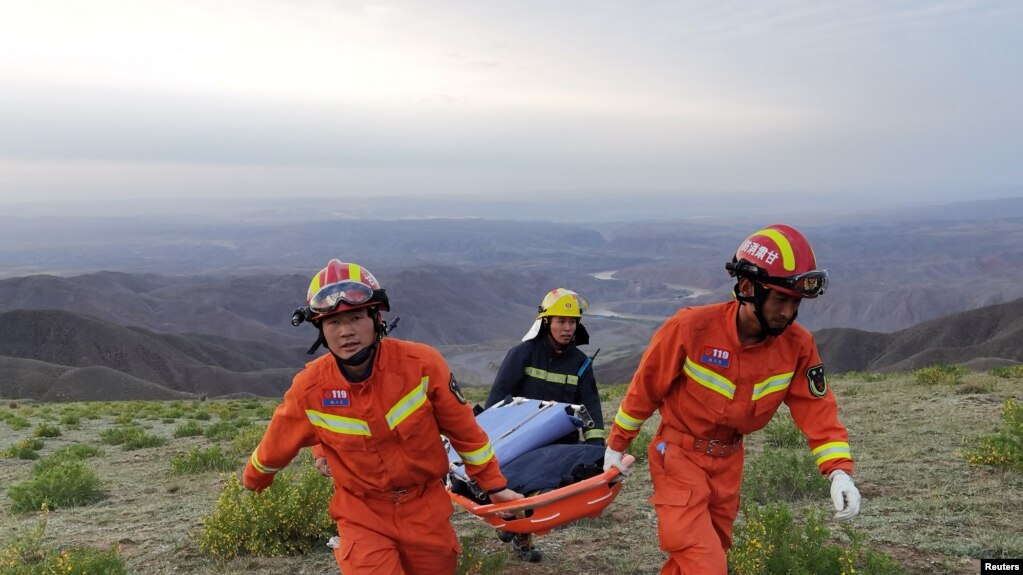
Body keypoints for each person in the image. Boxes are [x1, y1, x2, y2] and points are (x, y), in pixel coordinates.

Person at [602, 225, 861, 575]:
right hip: (677, 457)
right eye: (781, 299)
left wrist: (839, 473)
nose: (788, 312)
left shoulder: (798, 346)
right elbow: (645, 388)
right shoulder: (690, 329)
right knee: (705, 563)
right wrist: (616, 445)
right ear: (747, 288)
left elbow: (818, 410)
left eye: (795, 302)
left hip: (728, 463)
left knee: (704, 557)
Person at [243, 259, 522, 575]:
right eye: (333, 322)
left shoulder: (422, 365)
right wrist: (255, 480)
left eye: (356, 317)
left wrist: (494, 486)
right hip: (361, 513)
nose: (346, 331)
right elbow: (275, 446)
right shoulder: (310, 389)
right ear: (320, 329)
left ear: (377, 318)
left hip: (425, 509)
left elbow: (465, 432)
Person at [483, 287, 605, 562]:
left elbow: (591, 406)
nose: (567, 328)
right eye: (561, 321)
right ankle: (518, 533)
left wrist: (596, 448)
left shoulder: (581, 364)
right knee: (520, 488)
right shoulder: (522, 354)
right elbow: (497, 400)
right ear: (547, 322)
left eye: (572, 322)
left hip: (560, 445)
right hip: (520, 440)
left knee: (542, 493)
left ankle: (517, 529)